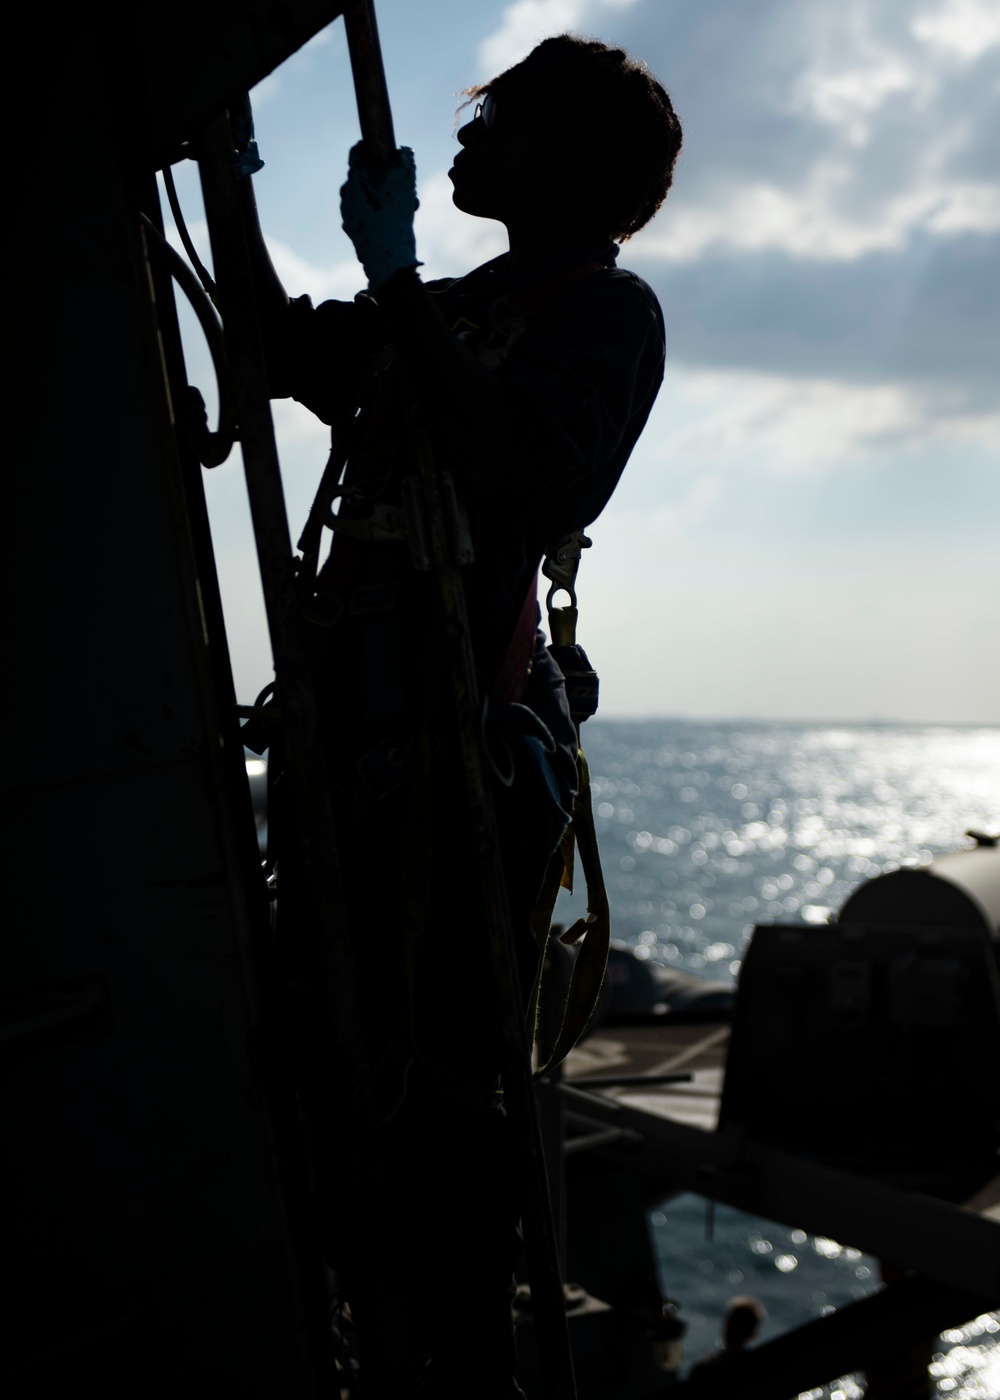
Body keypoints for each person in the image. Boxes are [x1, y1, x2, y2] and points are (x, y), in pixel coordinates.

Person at [241, 33, 682, 1399]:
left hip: (461, 764)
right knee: (324, 1069)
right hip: (354, 749)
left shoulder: (604, 313)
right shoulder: (462, 304)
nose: (467, 141)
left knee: (438, 1102)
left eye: (502, 121)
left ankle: (455, 1367)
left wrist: (395, 285)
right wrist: (241, 184)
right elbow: (278, 351)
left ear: (573, 159)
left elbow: (531, 473)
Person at [688, 1295, 767, 1379]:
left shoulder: (708, 1365)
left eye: (738, 1324)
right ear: (753, 1333)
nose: (731, 1327)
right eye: (731, 1321)